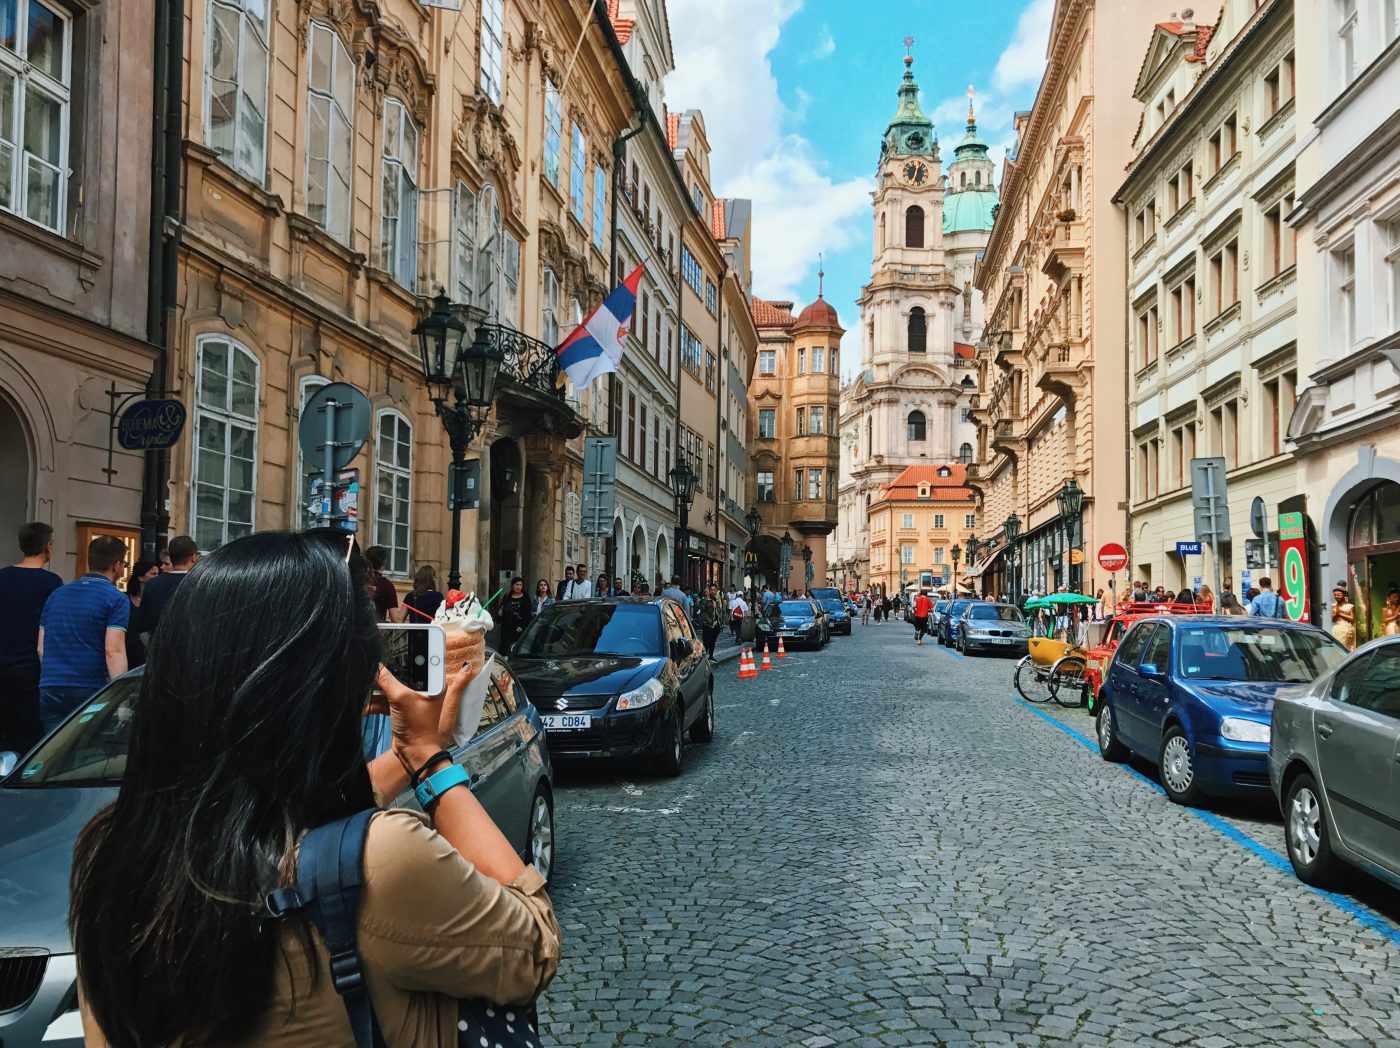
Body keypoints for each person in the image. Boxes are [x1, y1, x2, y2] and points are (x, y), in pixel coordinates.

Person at [69, 530, 560, 1048]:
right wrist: (431, 762)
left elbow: (286, 817)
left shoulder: (110, 850)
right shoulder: (385, 859)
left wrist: (406, 752)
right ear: (320, 683)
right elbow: (535, 945)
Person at [37, 535, 129, 733]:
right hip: (89, 686)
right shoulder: (116, 598)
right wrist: (121, 694)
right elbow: (113, 651)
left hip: (51, 684)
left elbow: (41, 646)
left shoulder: (57, 594)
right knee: (89, 754)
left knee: (54, 753)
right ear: (117, 566)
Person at [0, 521, 63, 755]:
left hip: (2, 662)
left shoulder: (2, 576)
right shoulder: (51, 582)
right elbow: (51, 628)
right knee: (29, 736)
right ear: (48, 547)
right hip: (32, 667)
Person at [135, 534, 199, 641]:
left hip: (159, 650)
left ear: (172, 557)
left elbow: (143, 628)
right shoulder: (201, 584)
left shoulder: (152, 584)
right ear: (193, 557)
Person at [122, 559, 160, 669]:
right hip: (127, 652)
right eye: (153, 574)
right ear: (140, 577)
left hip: (147, 656)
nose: (157, 577)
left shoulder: (156, 599)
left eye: (158, 574)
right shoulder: (124, 599)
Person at [364, 546, 405, 623]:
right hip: (376, 631)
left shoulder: (358, 580)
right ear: (384, 561)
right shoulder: (387, 585)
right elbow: (395, 619)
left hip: (356, 631)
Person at [497, 577, 532, 649]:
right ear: (513, 585)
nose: (519, 587)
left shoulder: (525, 597)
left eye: (520, 585)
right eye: (517, 584)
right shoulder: (507, 595)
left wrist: (522, 626)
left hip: (519, 628)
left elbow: (527, 614)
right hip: (507, 627)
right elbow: (502, 607)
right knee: (506, 647)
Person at [698, 583, 725, 660]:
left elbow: (719, 612)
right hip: (708, 625)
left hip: (717, 625)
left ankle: (711, 656)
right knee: (706, 642)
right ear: (709, 591)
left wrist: (720, 622)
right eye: (711, 590)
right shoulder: (705, 600)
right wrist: (707, 622)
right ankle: (704, 658)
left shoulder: (717, 600)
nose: (713, 591)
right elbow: (702, 613)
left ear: (716, 591)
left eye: (714, 590)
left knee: (713, 641)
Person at [1329, 584, 1356, 650]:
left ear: (1344, 595)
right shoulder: (1334, 605)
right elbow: (1333, 619)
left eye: (1339, 595)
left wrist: (1339, 614)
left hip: (1347, 629)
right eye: (1335, 595)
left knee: (1346, 648)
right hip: (1337, 629)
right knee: (1337, 648)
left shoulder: (1350, 606)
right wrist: (1336, 613)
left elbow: (1352, 619)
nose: (1336, 596)